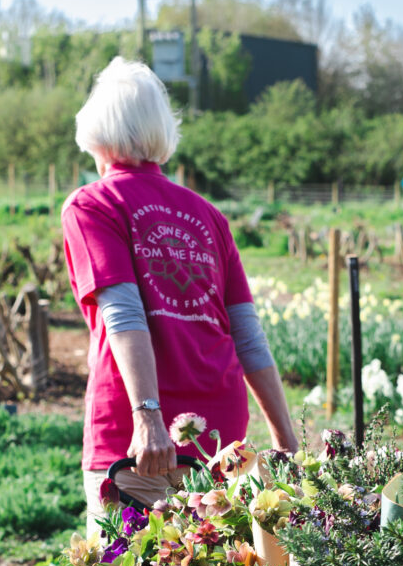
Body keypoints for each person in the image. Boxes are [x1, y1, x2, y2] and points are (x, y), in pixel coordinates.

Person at [62, 56, 297, 529]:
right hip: (218, 436)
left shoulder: (93, 204)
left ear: (96, 133)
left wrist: (148, 417)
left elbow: (124, 316)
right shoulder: (207, 214)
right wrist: (286, 443)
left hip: (137, 441)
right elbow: (248, 337)